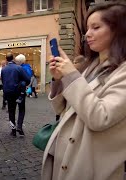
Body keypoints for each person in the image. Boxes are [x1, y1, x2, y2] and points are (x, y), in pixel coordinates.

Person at [42, 2, 126, 179]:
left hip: (93, 165)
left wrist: (71, 74)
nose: (87, 34)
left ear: (118, 30)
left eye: (96, 27)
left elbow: (99, 117)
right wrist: (59, 78)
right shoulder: (91, 65)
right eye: (87, 28)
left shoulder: (122, 72)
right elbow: (61, 109)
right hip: (65, 158)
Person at [1, 53, 30, 137]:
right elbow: (27, 79)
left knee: (11, 111)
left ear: (6, 59)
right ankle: (19, 127)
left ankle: (13, 130)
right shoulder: (19, 68)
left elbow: (3, 81)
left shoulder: (3, 69)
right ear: (13, 58)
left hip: (8, 92)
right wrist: (22, 83)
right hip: (18, 92)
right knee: (21, 109)